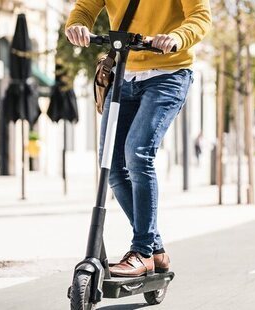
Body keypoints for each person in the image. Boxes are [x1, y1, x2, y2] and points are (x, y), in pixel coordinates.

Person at [65, 0, 212, 277]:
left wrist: (177, 37)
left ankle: (143, 250)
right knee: (111, 162)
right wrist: (77, 25)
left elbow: (200, 16)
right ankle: (154, 249)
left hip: (168, 74)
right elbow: (85, 7)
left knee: (138, 153)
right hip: (124, 73)